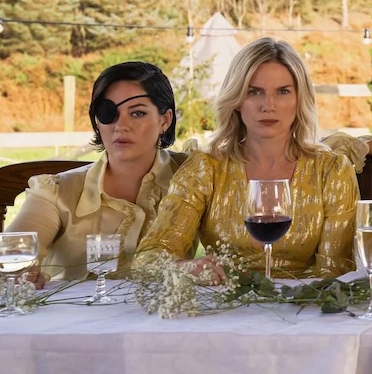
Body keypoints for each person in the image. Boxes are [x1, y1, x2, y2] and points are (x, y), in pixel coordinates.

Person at [135, 37, 358, 280]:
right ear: (237, 100)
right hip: (224, 309)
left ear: (299, 99)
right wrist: (185, 268)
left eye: (283, 91)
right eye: (254, 92)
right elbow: (150, 257)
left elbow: (336, 271)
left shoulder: (331, 171)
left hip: (303, 308)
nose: (268, 105)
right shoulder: (206, 168)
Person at [7, 62, 183, 286]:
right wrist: (21, 273)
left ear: (165, 120)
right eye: (109, 113)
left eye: (137, 113)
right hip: (73, 317)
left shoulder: (194, 178)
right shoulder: (57, 193)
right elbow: (9, 257)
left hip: (167, 318)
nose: (121, 125)